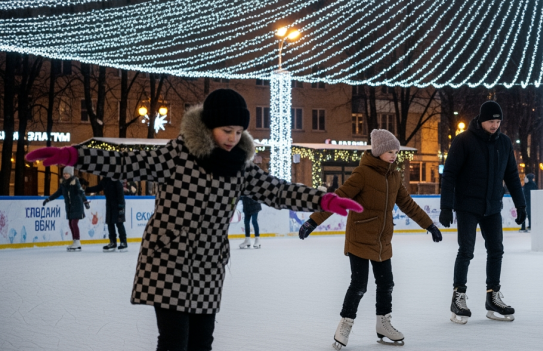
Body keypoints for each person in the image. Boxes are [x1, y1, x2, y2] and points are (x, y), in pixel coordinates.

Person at [27, 88, 363, 351]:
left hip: (207, 266)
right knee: (175, 343)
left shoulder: (240, 168)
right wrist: (74, 155)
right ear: (208, 126)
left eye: (238, 131)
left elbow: (278, 191)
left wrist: (324, 199)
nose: (233, 138)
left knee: (202, 344)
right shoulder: (176, 156)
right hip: (167, 261)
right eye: (226, 130)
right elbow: (128, 163)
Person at [298, 129, 442, 349]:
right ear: (378, 151)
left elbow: (408, 204)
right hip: (359, 238)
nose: (394, 155)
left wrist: (429, 224)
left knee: (386, 284)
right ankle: (345, 325)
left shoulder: (394, 176)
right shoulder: (362, 173)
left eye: (396, 151)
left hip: (382, 241)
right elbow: (339, 198)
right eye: (390, 151)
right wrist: (313, 221)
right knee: (359, 285)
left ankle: (383, 324)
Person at [439, 101, 527, 324]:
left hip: (492, 207)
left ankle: (492, 296)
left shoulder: (505, 143)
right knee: (466, 250)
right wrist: (446, 207)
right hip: (467, 206)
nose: (495, 126)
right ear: (481, 120)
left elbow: (512, 178)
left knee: (496, 250)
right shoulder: (464, 141)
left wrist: (521, 205)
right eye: (491, 122)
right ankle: (458, 296)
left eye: (498, 122)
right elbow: (449, 175)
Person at [43, 166, 90, 252]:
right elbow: (58, 193)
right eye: (64, 174)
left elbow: (80, 192)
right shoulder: (63, 183)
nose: (65, 175)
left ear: (70, 174)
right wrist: (48, 199)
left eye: (67, 174)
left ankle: (78, 241)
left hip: (77, 205)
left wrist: (85, 202)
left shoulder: (75, 181)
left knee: (74, 223)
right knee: (70, 223)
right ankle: (75, 241)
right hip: (69, 206)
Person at [86, 176, 128, 252]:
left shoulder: (116, 181)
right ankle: (112, 242)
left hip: (118, 206)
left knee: (119, 223)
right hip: (109, 206)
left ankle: (123, 242)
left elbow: (121, 194)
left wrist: (121, 207)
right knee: (110, 223)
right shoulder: (105, 181)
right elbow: (98, 187)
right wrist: (87, 189)